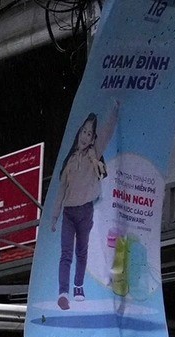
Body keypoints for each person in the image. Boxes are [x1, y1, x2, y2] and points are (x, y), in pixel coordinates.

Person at [51, 102, 118, 311]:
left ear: (92, 138)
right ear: (79, 132)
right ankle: (63, 293)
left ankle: (78, 286)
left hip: (85, 211)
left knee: (82, 251)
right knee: (66, 253)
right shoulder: (69, 161)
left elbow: (106, 132)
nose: (85, 136)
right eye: (84, 131)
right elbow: (61, 191)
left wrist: (114, 110)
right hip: (69, 213)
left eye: (90, 133)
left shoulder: (95, 155)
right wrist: (54, 217)